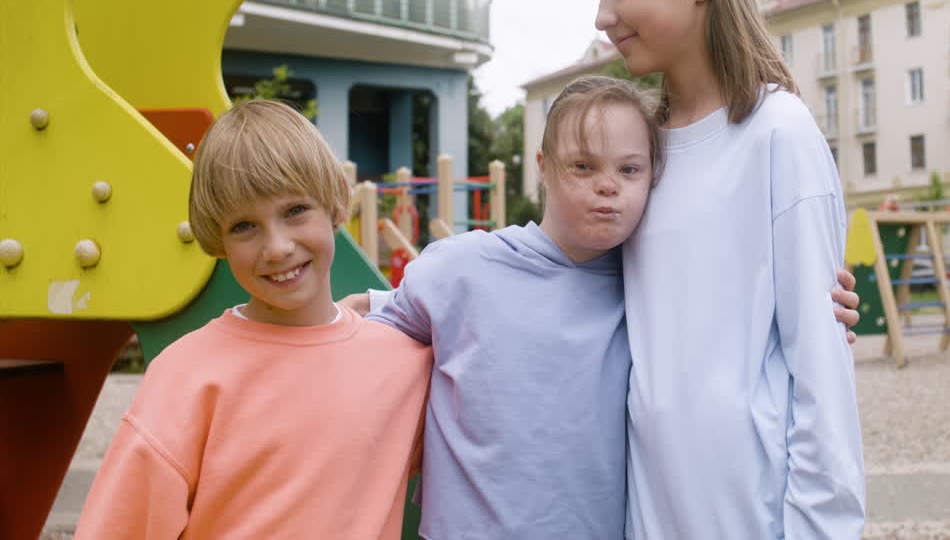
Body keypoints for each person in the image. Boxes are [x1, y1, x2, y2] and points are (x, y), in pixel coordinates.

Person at [584, 0, 865, 538]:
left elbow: (823, 381)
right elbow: (554, 272)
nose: (601, 15)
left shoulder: (779, 136)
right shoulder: (636, 154)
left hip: (752, 517)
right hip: (652, 515)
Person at [75, 100, 433, 540]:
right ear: (218, 238)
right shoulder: (186, 375)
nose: (277, 246)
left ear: (336, 203)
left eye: (295, 211)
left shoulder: (403, 363)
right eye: (244, 226)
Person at [367, 76, 660, 539]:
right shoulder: (462, 268)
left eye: (629, 170)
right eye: (583, 166)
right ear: (543, 168)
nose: (608, 186)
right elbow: (368, 340)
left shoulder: (652, 291)